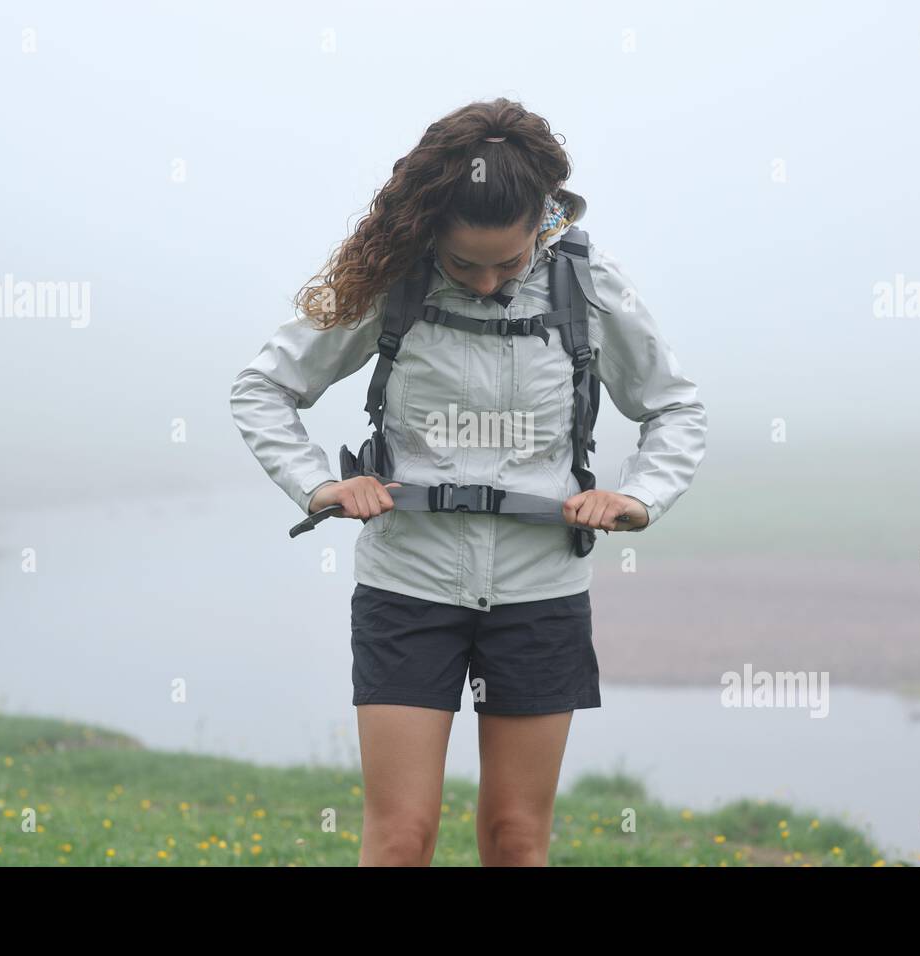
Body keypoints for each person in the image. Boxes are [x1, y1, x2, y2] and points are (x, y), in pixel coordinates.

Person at [229, 97, 707, 866]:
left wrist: (640, 496)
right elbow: (263, 388)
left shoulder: (587, 285)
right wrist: (318, 486)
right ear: (429, 231)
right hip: (407, 587)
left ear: (542, 226)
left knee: (517, 840)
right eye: (464, 265)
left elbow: (676, 407)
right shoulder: (391, 279)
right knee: (401, 838)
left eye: (509, 264)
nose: (487, 284)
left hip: (541, 596)